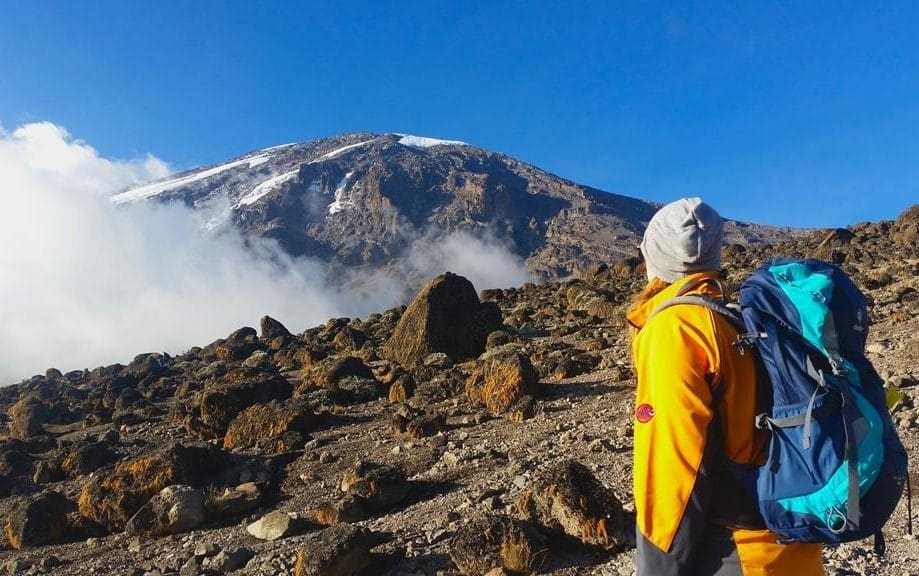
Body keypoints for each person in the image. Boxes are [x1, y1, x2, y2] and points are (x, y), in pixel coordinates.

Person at [627, 198, 825, 575]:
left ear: (649, 258)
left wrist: (656, 567)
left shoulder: (677, 330)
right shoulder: (743, 320)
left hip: (738, 554)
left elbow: (675, 464)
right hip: (793, 541)